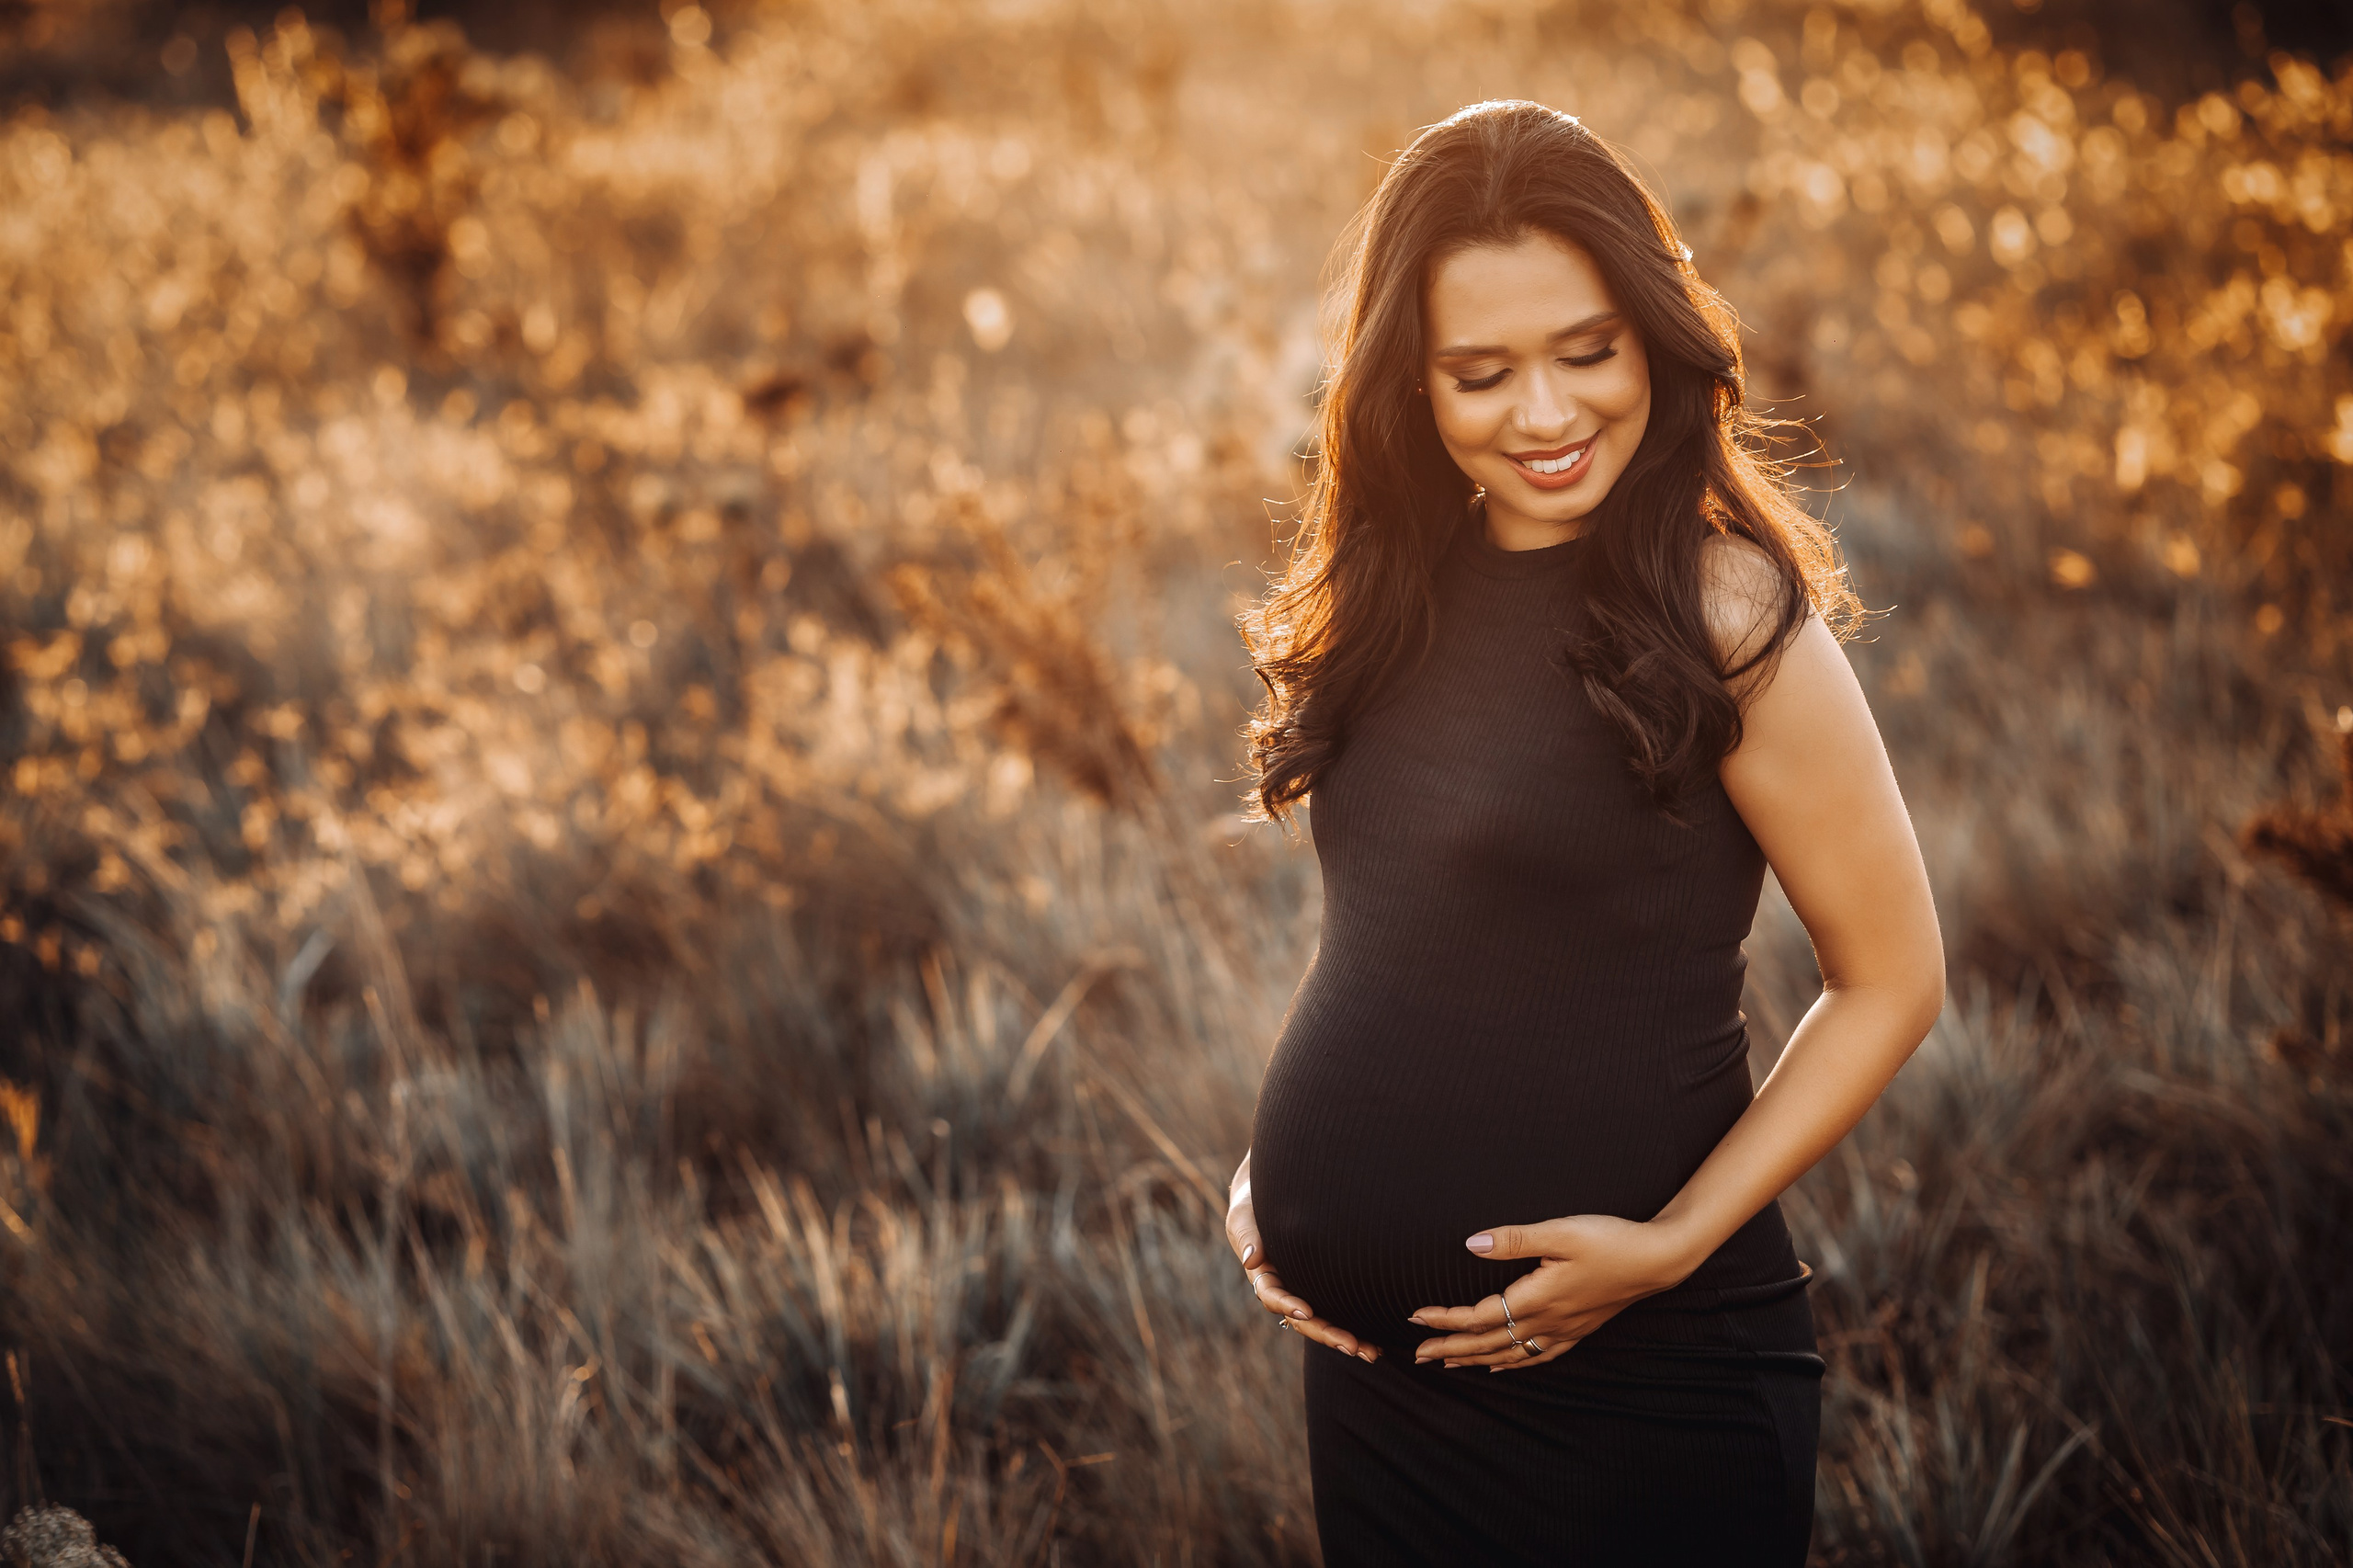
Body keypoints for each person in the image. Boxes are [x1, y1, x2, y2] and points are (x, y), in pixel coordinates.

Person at [1223, 100, 1947, 1565]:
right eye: (1482, 374)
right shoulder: (1395, 586)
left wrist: (1669, 1247)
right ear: (1409, 383)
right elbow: (1399, 922)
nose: (1546, 415)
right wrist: (1279, 1178)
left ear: (1654, 337)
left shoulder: (1724, 611)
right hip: (1378, 1388)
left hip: (1641, 1391)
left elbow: (1892, 979)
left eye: (1587, 351)